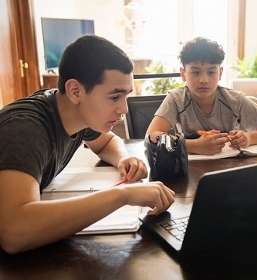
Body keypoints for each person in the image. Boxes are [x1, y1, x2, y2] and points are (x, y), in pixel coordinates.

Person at [0, 35, 175, 254]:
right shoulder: (25, 129)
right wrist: (124, 195)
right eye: (114, 97)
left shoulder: (76, 113)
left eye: (126, 96)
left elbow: (106, 143)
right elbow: (14, 232)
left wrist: (123, 158)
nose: (124, 109)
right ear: (75, 91)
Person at [146, 37, 257, 155]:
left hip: (230, 166)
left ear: (220, 73)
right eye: (196, 72)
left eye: (211, 72)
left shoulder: (234, 100)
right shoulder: (176, 99)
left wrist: (249, 137)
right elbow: (151, 135)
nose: (204, 80)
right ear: (183, 74)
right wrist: (195, 145)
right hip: (191, 167)